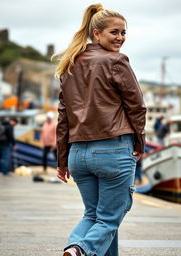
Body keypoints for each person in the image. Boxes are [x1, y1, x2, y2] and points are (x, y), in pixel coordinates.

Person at [55, 3, 146, 256]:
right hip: (112, 150)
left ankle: (76, 249)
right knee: (108, 219)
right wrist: (139, 144)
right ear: (96, 34)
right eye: (114, 32)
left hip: (78, 156)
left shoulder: (70, 64)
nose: (120, 38)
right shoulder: (116, 61)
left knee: (94, 216)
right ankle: (78, 249)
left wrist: (63, 160)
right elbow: (137, 107)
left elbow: (64, 117)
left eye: (123, 33)